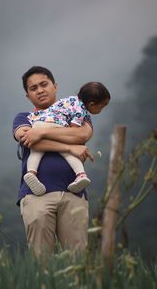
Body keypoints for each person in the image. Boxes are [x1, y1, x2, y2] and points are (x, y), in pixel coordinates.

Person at [12, 66, 109, 257]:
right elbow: (27, 139)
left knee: (77, 259)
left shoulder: (77, 112)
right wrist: (69, 147)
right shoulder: (25, 117)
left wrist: (41, 131)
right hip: (36, 195)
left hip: (74, 192)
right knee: (41, 260)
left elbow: (81, 135)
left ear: (55, 86)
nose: (40, 90)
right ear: (27, 95)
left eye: (44, 84)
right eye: (33, 88)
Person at [23, 82, 110, 196]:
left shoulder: (69, 99)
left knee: (36, 152)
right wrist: (71, 146)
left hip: (38, 123)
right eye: (101, 107)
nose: (101, 110)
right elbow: (73, 132)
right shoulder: (81, 111)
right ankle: (80, 175)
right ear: (92, 104)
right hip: (55, 124)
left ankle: (31, 173)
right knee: (68, 152)